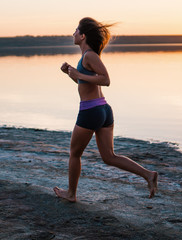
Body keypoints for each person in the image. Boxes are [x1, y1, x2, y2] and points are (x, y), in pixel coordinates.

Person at [53, 17, 158, 202]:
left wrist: (77, 73)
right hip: (102, 110)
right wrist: (71, 73)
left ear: (83, 35)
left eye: (76, 30)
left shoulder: (90, 55)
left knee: (75, 153)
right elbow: (85, 82)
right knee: (109, 157)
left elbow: (106, 80)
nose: (73, 33)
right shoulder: (86, 56)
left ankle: (71, 194)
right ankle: (148, 175)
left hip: (91, 111)